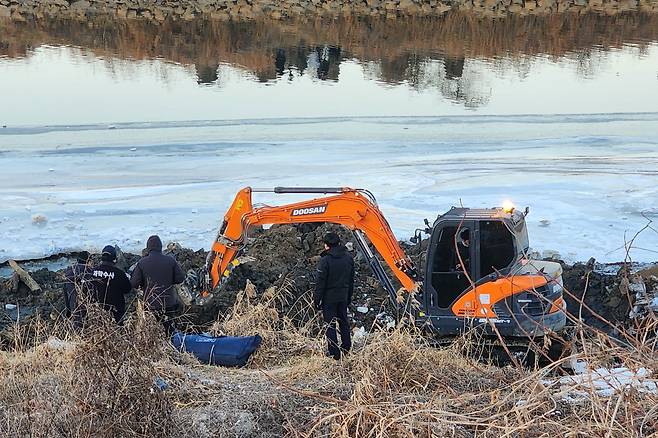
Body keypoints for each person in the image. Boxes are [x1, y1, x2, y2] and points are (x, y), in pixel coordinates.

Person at [130, 235, 185, 334]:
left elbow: (134, 283)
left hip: (150, 304)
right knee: (169, 331)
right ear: (160, 247)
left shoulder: (142, 263)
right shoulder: (170, 260)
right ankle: (171, 346)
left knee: (152, 332)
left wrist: (144, 284)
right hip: (168, 303)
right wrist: (168, 280)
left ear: (148, 248)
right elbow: (180, 278)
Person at [314, 232, 355, 360]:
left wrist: (317, 299)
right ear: (339, 243)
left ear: (327, 246)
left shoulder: (325, 260)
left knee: (330, 324)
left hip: (329, 298)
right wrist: (349, 296)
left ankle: (334, 353)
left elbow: (320, 283)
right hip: (343, 295)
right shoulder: (348, 258)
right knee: (344, 322)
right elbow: (351, 279)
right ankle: (346, 347)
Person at [90, 245, 132, 324]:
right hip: (116, 313)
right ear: (114, 259)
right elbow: (128, 289)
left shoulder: (92, 272)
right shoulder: (119, 274)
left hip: (96, 312)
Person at [64, 251, 91, 327]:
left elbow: (65, 293)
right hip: (84, 306)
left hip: (73, 305)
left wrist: (68, 312)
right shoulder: (88, 271)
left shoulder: (69, 271)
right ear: (88, 261)